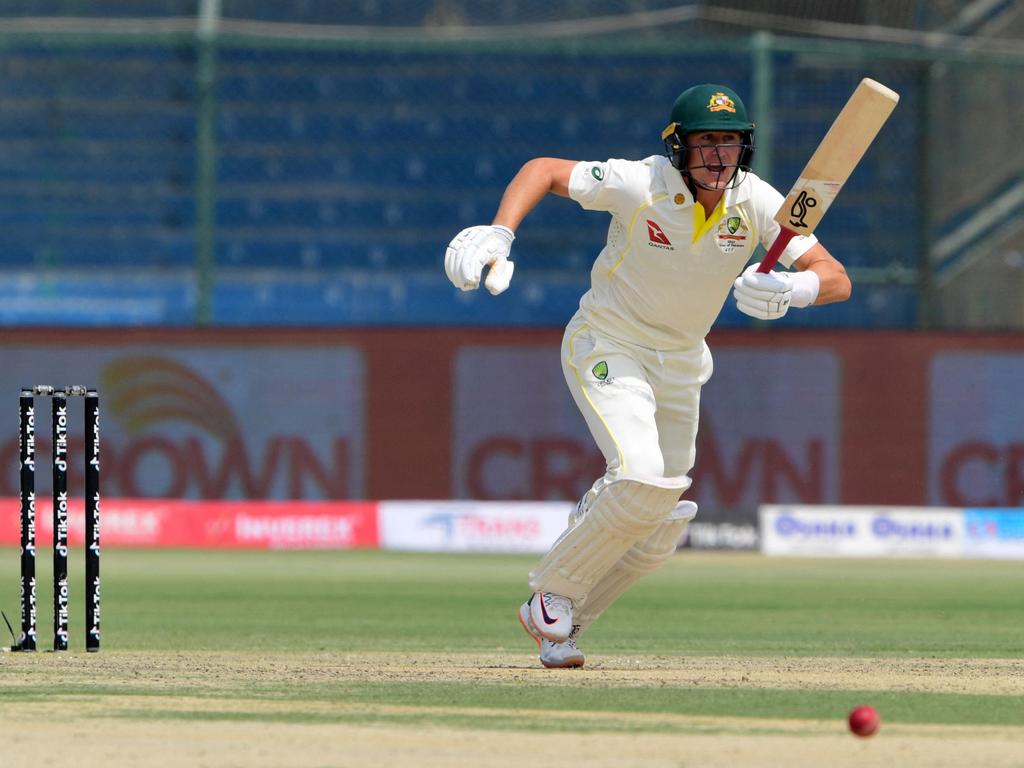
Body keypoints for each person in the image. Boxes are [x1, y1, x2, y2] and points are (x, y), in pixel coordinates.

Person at [444, 84, 851, 668]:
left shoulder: (760, 202)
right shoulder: (640, 181)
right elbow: (543, 170)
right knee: (638, 478)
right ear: (678, 146)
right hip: (610, 343)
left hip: (683, 363)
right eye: (706, 142)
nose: (719, 155)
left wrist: (795, 288)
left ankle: (567, 625)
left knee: (659, 517)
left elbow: (835, 276)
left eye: (730, 143)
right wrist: (500, 233)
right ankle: (549, 597)